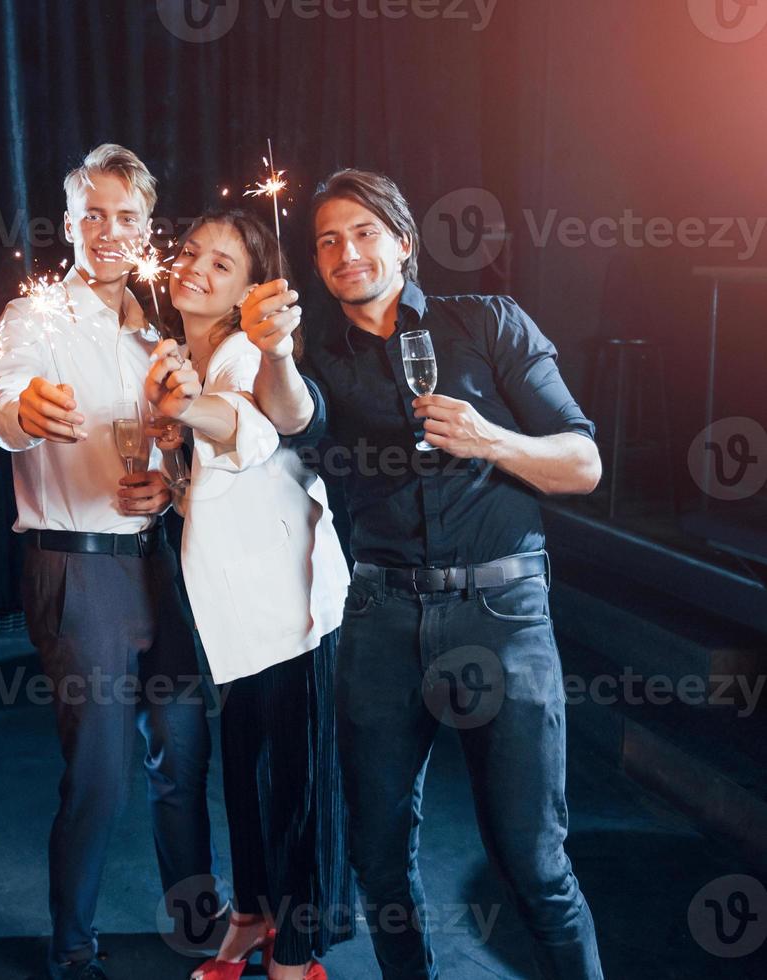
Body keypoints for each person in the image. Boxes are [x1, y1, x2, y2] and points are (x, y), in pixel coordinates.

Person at [243, 169, 605, 979]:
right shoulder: (313, 359)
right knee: (378, 858)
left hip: (501, 612)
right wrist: (270, 351)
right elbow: (291, 418)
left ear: (403, 242)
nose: (346, 252)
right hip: (380, 617)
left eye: (364, 231)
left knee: (533, 863)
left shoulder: (485, 321)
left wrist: (492, 441)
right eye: (327, 241)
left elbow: (580, 463)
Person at [0, 144, 218, 980]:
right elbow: (2, 409)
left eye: (126, 217)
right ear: (71, 222)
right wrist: (23, 412)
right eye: (93, 214)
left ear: (147, 227)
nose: (109, 231)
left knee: (183, 757)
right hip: (75, 569)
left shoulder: (163, 327)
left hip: (161, 563)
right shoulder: (33, 316)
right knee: (100, 773)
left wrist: (169, 483)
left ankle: (199, 928)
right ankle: (72, 952)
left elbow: (184, 448)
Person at [142, 209, 354, 980]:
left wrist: (183, 412)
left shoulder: (240, 355)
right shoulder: (179, 352)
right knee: (246, 776)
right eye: (191, 250)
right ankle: (251, 917)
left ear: (244, 297)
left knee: (294, 789)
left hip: (290, 612)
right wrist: (167, 488)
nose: (196, 265)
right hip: (233, 621)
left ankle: (295, 957)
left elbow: (252, 429)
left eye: (222, 264)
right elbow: (216, 486)